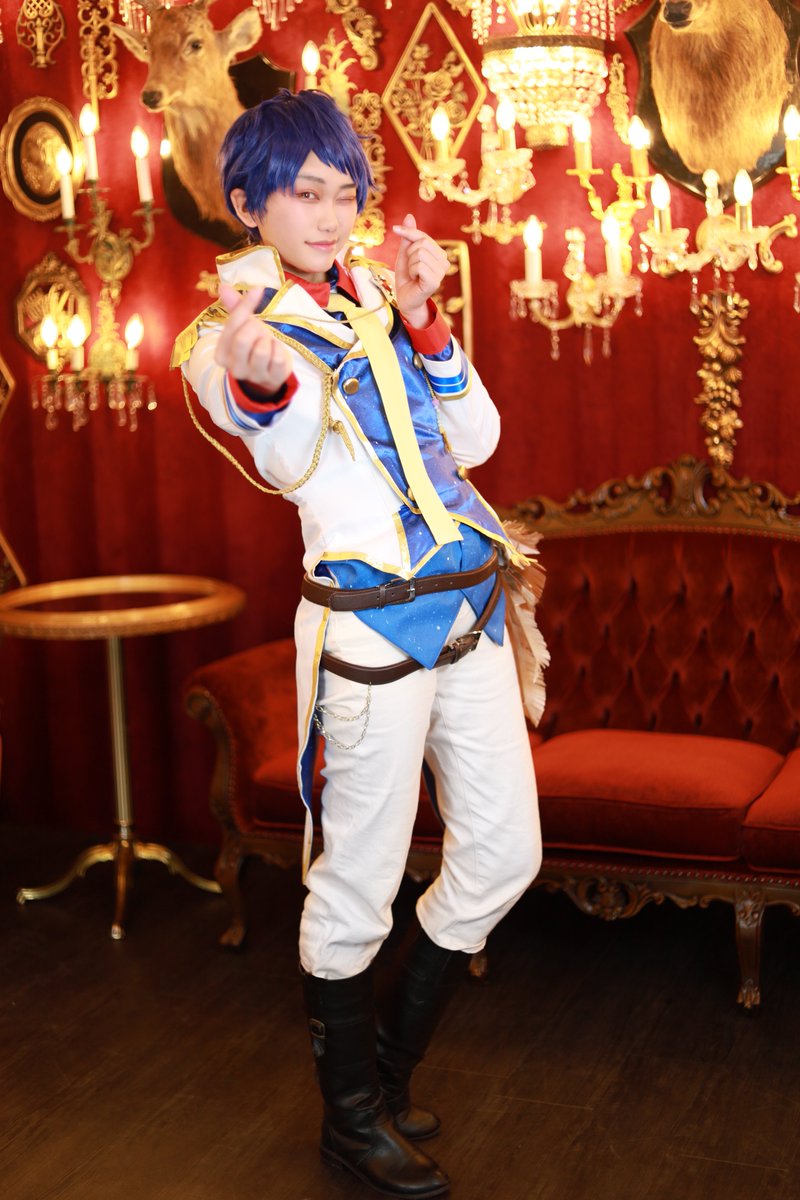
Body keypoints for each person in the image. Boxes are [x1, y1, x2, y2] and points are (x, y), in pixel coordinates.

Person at [173, 89, 543, 1200]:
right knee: (357, 886)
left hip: (471, 606)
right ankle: (350, 1125)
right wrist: (261, 378)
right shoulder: (222, 335)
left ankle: (380, 1074)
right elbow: (286, 456)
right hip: (372, 623)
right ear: (250, 203)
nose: (331, 215)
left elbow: (478, 438)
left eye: (345, 192)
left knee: (504, 856)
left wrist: (426, 320)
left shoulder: (379, 292)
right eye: (305, 193)